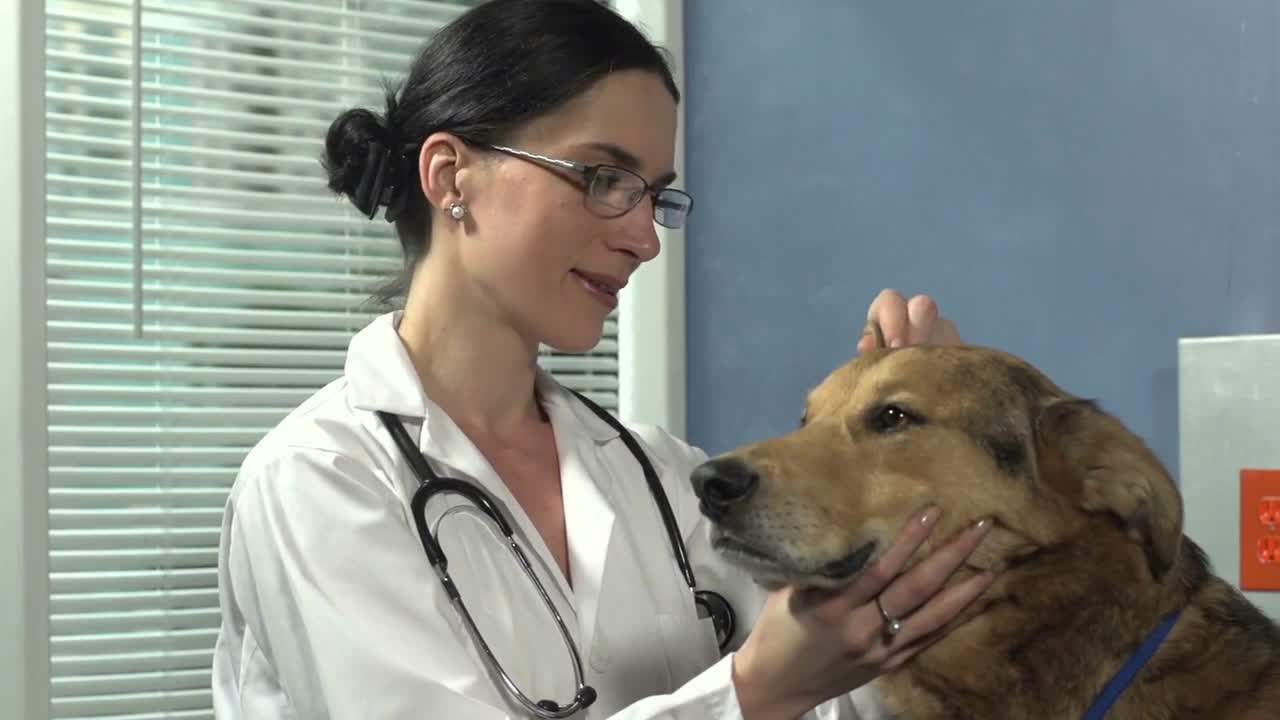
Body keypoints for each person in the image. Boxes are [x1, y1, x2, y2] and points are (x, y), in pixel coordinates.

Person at [210, 1, 992, 718]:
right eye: (604, 178)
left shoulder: (653, 473)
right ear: (452, 177)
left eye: (655, 195)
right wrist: (753, 688)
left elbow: (839, 692)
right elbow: (771, 684)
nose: (644, 238)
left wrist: (918, 453)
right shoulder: (317, 479)